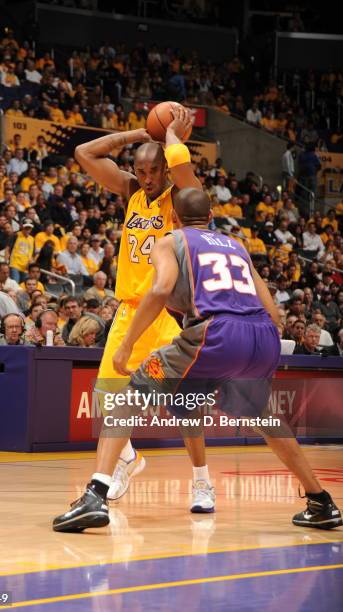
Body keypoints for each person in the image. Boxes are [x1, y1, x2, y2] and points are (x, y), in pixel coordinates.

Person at [53, 188, 342, 532]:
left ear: (173, 216)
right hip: (263, 336)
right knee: (265, 418)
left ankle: (95, 495)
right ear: (210, 217)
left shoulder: (170, 240)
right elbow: (273, 310)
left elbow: (160, 290)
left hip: (217, 333)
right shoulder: (237, 245)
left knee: (126, 398)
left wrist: (127, 344)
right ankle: (320, 501)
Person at [73, 105, 211, 509]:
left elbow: (185, 174)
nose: (147, 178)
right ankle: (126, 460)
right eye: (142, 171)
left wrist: (171, 141)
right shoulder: (132, 191)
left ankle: (202, 482)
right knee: (110, 401)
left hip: (167, 313)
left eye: (154, 171)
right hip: (129, 310)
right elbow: (85, 153)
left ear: (165, 171)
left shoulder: (181, 200)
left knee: (186, 406)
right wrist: (140, 133)